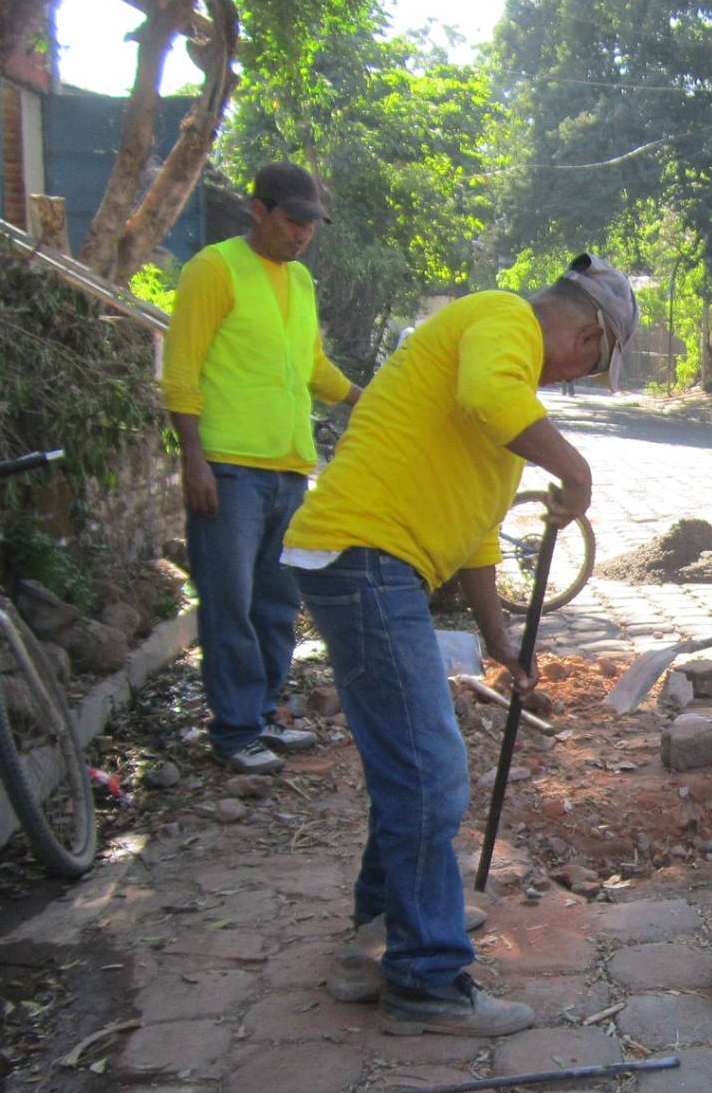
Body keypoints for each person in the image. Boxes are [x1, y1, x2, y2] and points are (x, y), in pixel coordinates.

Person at [282, 254, 637, 1036]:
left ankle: (380, 936)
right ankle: (426, 982)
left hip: (374, 562)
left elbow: (477, 538)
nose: (572, 382)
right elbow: (488, 394)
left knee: (409, 765)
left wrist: (500, 639)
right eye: (591, 367)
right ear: (587, 332)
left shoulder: (504, 404)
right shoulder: (503, 321)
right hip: (365, 555)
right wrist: (574, 467)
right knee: (432, 774)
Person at [162, 162, 363, 776]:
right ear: (259, 210)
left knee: (276, 602)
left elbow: (313, 367)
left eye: (311, 224)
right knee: (230, 603)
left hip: (287, 470)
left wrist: (367, 398)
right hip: (227, 469)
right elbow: (180, 374)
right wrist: (193, 458)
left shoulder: (299, 282)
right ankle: (232, 731)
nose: (302, 234)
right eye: (293, 220)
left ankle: (266, 713)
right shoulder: (214, 270)